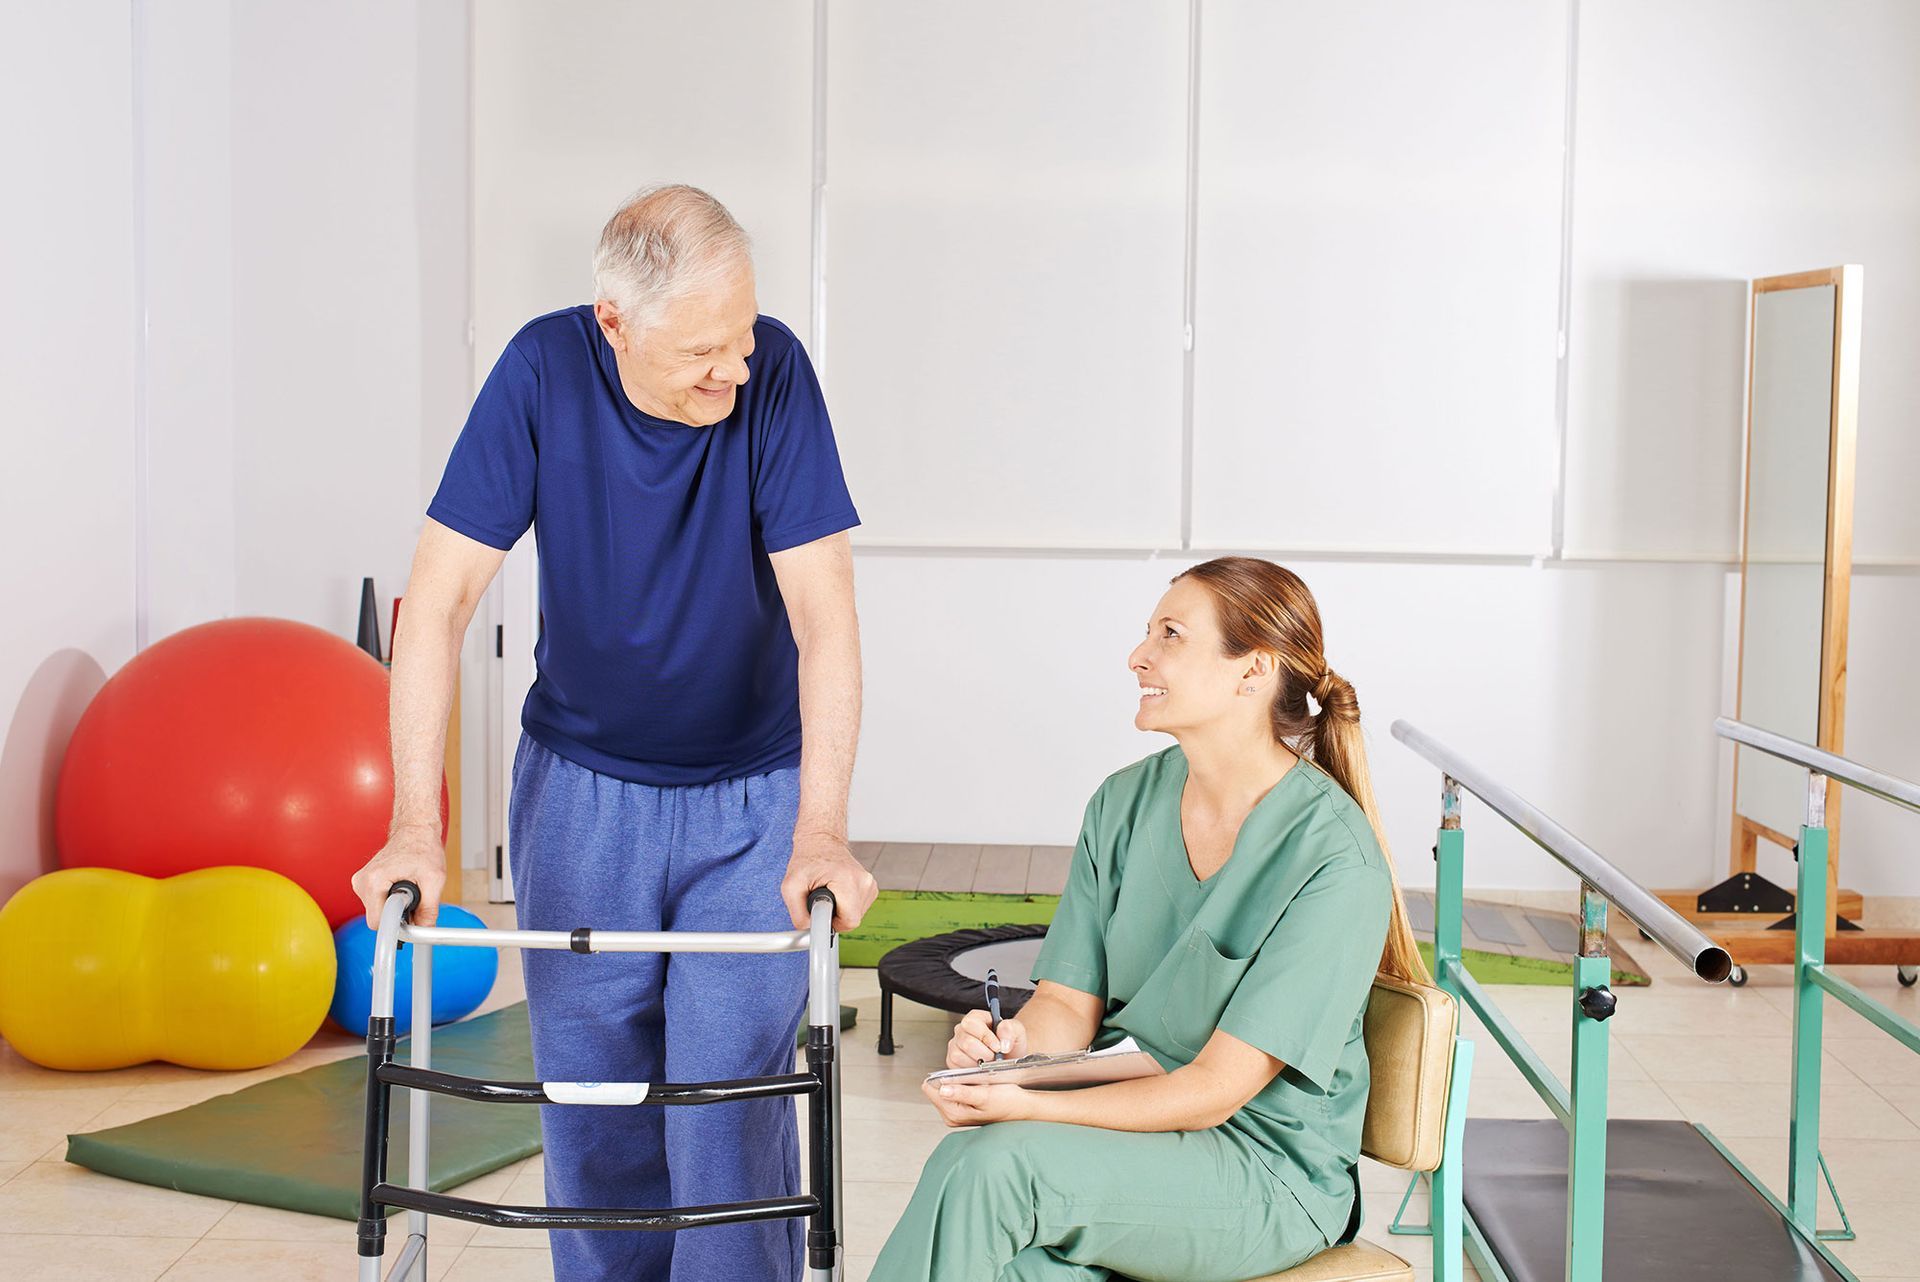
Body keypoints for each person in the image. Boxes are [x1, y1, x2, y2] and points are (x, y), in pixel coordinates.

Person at [349, 184, 877, 1282]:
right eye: (702, 353)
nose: (732, 372)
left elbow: (826, 619)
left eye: (740, 339)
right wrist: (415, 824)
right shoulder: (542, 371)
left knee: (727, 1114)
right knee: (593, 1113)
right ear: (613, 322)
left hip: (750, 798)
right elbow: (438, 601)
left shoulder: (772, 373)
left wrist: (820, 830)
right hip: (583, 794)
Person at [873, 558, 1429, 1282]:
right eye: (1148, 633)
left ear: (1252, 671)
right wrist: (1011, 1050)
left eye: (1170, 634)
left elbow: (1215, 1092)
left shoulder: (1334, 858)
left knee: (993, 1168)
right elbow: (1068, 1002)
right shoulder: (1122, 804)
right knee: (1001, 1260)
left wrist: (1026, 1107)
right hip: (1133, 1142)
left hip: (1263, 1172)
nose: (1139, 656)